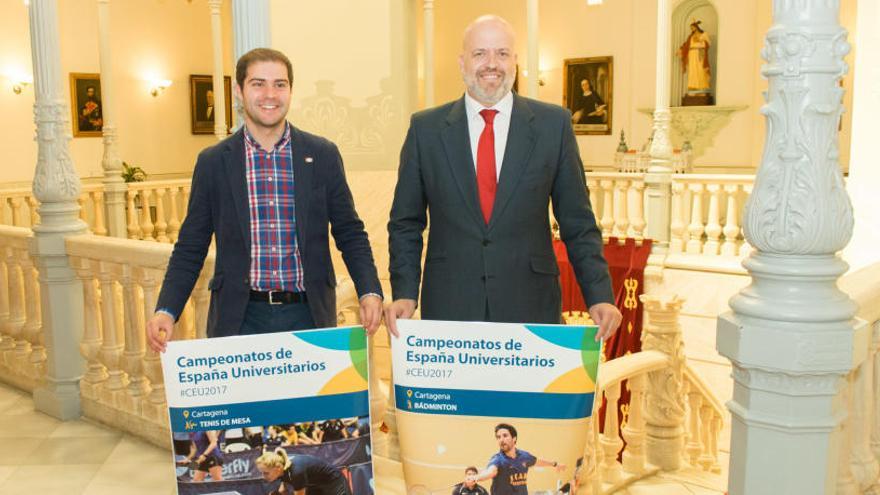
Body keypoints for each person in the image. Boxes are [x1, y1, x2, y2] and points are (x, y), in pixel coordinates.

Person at [385, 15, 621, 339]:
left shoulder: (554, 126)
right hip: (451, 306)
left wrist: (600, 294)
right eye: (480, 53)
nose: (491, 64)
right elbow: (405, 222)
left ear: (515, 61)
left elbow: (578, 222)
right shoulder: (425, 130)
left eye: (502, 53)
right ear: (462, 62)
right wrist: (404, 291)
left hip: (530, 306)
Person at [146, 48, 382, 352]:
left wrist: (369, 290)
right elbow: (191, 246)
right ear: (239, 91)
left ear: (290, 91)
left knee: (306, 401)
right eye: (258, 84)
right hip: (240, 320)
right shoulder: (214, 162)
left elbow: (350, 232)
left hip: (308, 316)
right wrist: (167, 309)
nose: (270, 94)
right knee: (246, 402)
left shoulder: (322, 154)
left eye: (280, 84)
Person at [468, 423, 564, 495]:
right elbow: (490, 472)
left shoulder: (524, 456)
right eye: (498, 437)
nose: (501, 439)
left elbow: (537, 461)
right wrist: (477, 477)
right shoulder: (497, 459)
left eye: (505, 436)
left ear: (514, 438)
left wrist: (554, 464)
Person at [256, 448, 351, 495]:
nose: (263, 476)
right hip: (316, 486)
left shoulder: (296, 471)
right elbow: (282, 489)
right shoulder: (281, 464)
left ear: (277, 468)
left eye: (266, 473)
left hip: (335, 482)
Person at [679, 19, 711, 93]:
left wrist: (700, 41)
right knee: (693, 70)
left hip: (700, 53)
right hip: (692, 54)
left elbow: (708, 44)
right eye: (691, 28)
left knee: (701, 69)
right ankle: (693, 86)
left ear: (697, 27)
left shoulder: (704, 34)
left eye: (693, 27)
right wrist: (681, 50)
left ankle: (702, 87)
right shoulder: (691, 36)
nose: (692, 29)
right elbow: (686, 45)